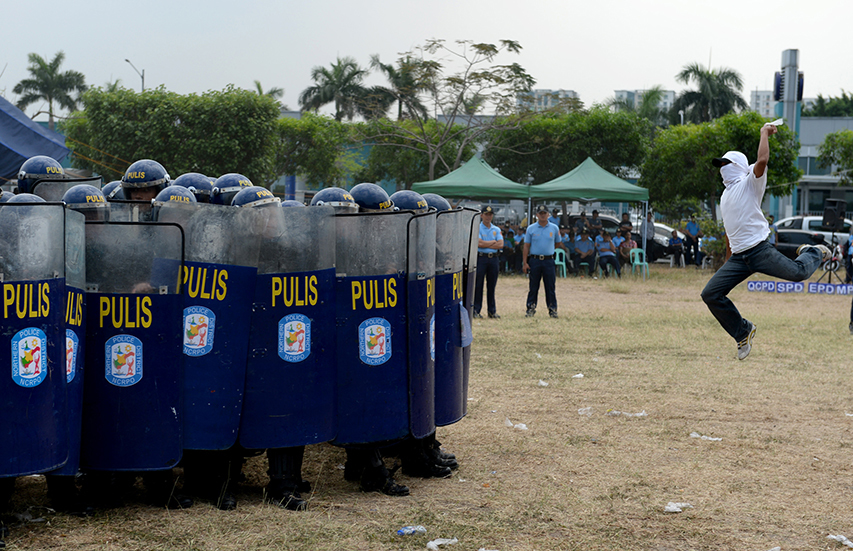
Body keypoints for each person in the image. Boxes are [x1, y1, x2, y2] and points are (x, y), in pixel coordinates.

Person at [701, 123, 829, 360]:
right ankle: (743, 332)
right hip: (739, 258)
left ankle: (814, 252)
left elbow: (761, 160)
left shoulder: (750, 182)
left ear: (739, 166)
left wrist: (764, 133)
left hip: (758, 251)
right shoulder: (725, 195)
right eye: (720, 165)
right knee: (710, 294)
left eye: (726, 164)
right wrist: (728, 260)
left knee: (799, 273)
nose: (722, 168)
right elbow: (729, 231)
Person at [523, 205, 561, 317]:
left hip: (548, 261)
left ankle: (552, 309)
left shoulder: (554, 228)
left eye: (545, 213)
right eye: (540, 213)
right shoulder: (531, 228)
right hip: (535, 260)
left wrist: (549, 250)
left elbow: (558, 243)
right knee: (533, 286)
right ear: (537, 215)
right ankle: (530, 308)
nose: (543, 215)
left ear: (548, 214)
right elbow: (526, 246)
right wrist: (525, 262)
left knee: (550, 286)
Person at [473, 206, 503, 319]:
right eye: (486, 214)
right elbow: (479, 243)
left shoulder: (496, 229)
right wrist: (493, 242)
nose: (488, 217)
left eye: (490, 214)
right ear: (481, 215)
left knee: (492, 286)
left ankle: (492, 311)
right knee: (478, 285)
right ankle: (476, 310)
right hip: (481, 258)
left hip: (494, 259)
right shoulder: (478, 228)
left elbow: (500, 244)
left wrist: (486, 243)